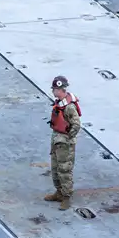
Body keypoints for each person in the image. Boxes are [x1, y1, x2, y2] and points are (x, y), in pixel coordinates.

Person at [44, 76, 81, 210]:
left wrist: (68, 138)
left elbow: (76, 125)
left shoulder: (69, 107)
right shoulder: (59, 103)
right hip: (56, 140)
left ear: (60, 89)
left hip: (64, 143)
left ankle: (66, 197)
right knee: (55, 168)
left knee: (65, 170)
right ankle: (59, 192)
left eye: (55, 89)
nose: (53, 92)